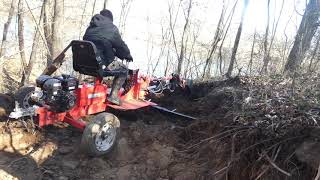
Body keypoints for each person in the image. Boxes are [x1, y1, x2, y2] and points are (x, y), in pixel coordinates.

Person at [83, 9, 133, 105]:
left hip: (86, 64)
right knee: (124, 70)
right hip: (101, 64)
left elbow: (99, 44)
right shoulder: (111, 28)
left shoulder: (90, 27)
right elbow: (120, 46)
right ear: (110, 19)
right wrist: (127, 55)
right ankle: (113, 96)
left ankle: (97, 91)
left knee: (101, 59)